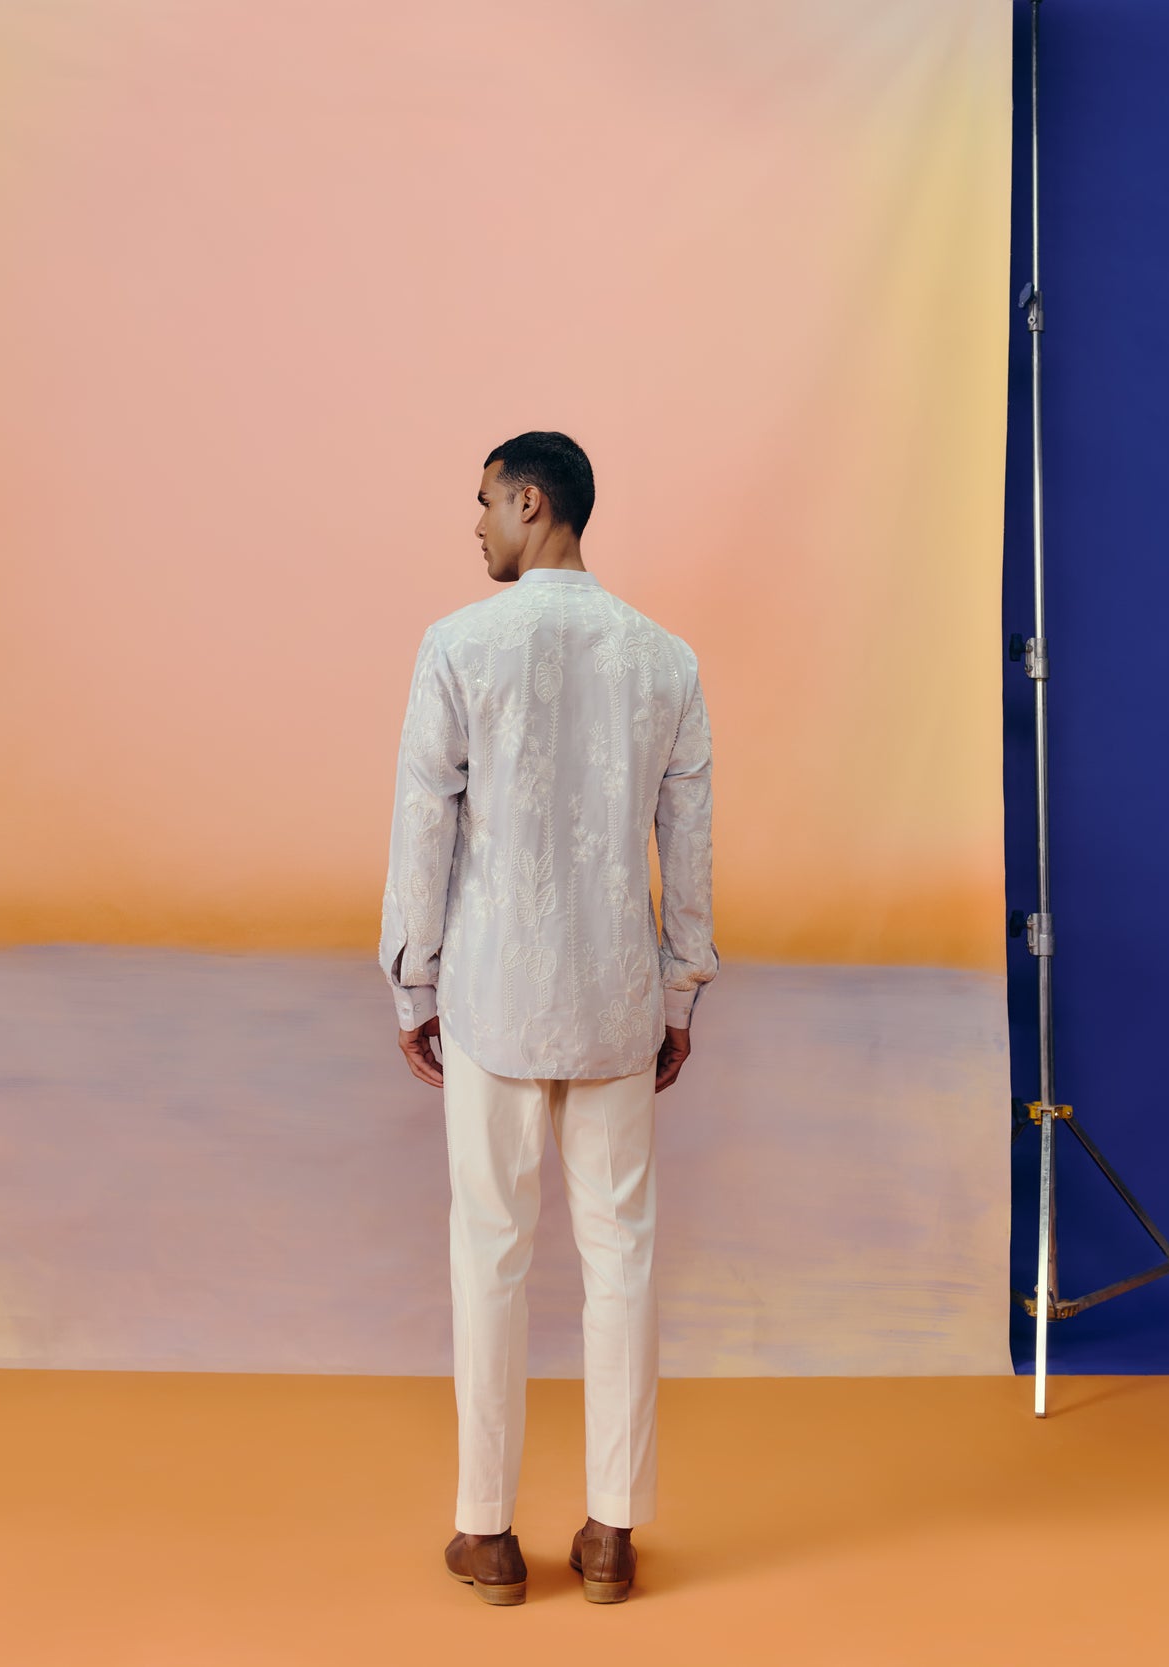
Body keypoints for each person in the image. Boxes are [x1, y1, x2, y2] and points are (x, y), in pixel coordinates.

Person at [378, 430, 719, 1605]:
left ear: (531, 502)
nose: (474, 524)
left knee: (491, 1251)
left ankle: (486, 1533)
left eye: (483, 502)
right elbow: (686, 845)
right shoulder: (663, 657)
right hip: (615, 998)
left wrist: (413, 981)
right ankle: (611, 1530)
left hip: (493, 995)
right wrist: (678, 989)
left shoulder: (457, 644)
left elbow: (424, 821)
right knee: (620, 1255)